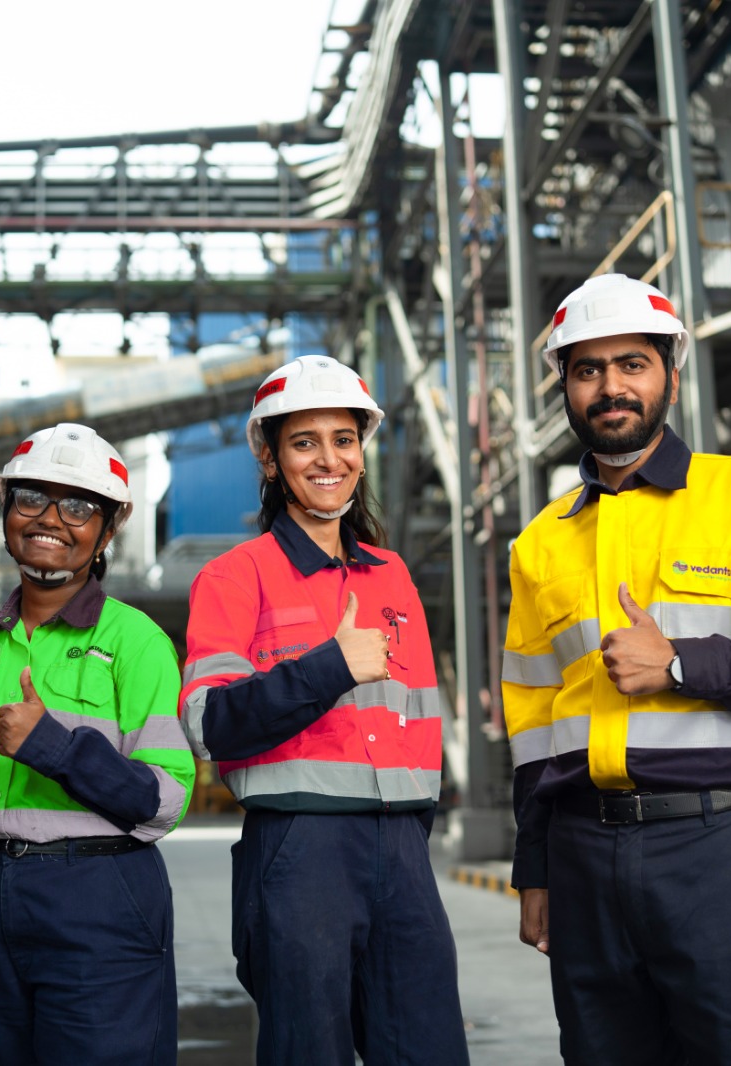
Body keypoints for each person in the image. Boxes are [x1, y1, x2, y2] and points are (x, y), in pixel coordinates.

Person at [502, 273, 731, 1065]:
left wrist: (681, 663)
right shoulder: (539, 544)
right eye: (587, 369)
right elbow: (532, 725)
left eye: (632, 364)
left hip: (717, 852)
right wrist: (534, 867)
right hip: (582, 860)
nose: (611, 387)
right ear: (565, 387)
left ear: (669, 375)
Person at [180, 355, 469, 1066]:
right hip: (299, 846)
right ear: (271, 459)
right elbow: (210, 724)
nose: (328, 459)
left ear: (362, 452)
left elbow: (420, 721)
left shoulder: (392, 574)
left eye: (344, 440)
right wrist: (329, 666)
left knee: (428, 1049)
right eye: (304, 442)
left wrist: (408, 833)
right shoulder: (233, 577)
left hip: (402, 847)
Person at [0, 423, 194, 1066]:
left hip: (98, 897)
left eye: (79, 506)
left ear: (107, 531)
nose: (51, 519)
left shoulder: (137, 642)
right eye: (32, 498)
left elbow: (165, 800)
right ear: (7, 510)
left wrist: (54, 748)